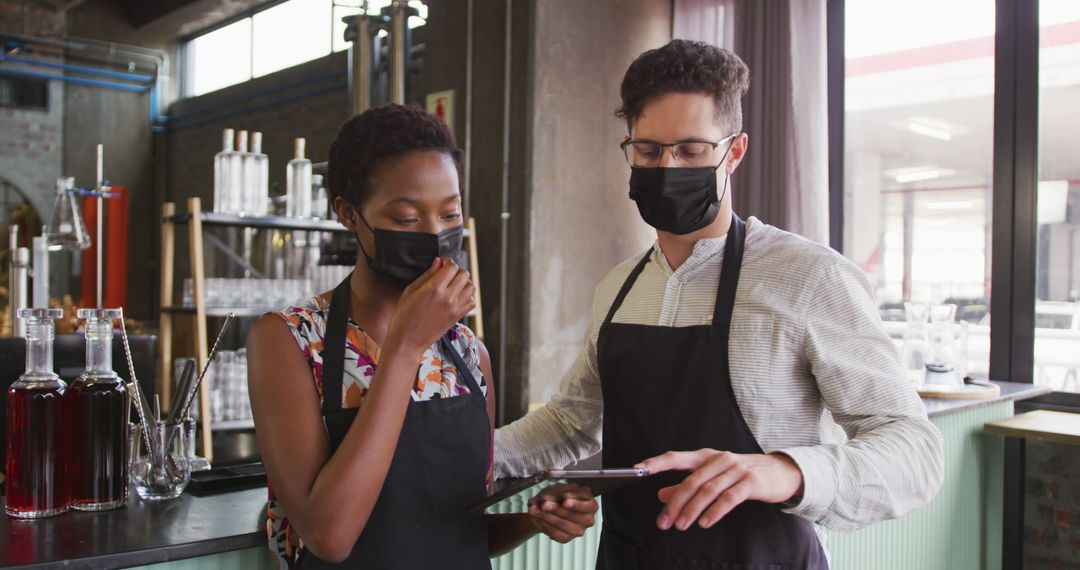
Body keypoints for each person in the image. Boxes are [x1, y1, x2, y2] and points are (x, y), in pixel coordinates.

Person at [496, 40, 945, 569]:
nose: (667, 166)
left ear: (733, 152)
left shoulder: (810, 277)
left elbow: (916, 453)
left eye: (690, 150)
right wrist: (468, 455)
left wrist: (788, 471)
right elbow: (571, 423)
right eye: (648, 152)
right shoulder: (617, 288)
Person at [247, 104, 597, 569]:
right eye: (407, 220)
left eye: (450, 215)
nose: (434, 235)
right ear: (349, 214)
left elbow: (459, 529)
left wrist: (536, 520)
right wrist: (405, 348)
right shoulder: (290, 340)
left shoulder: (470, 354)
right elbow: (328, 536)